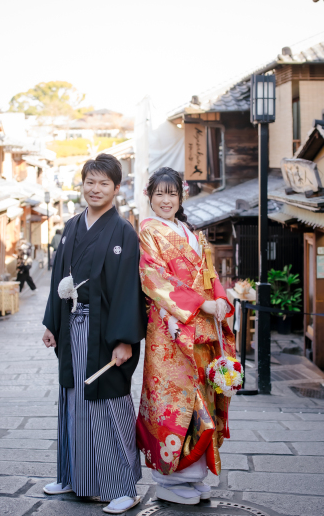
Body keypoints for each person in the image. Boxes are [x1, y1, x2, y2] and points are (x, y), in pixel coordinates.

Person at [41, 153, 145, 514]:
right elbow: (59, 279)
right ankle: (73, 477)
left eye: (104, 183)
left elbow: (128, 287)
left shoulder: (123, 232)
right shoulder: (71, 226)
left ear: (117, 188)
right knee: (72, 399)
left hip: (106, 329)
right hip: (72, 325)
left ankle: (123, 487)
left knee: (108, 402)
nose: (95, 189)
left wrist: (124, 340)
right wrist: (51, 322)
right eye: (90, 181)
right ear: (82, 184)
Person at [136, 167, 235, 505]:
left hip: (203, 328)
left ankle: (194, 475)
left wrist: (220, 298)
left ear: (182, 196)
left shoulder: (190, 231)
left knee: (202, 398)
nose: (166, 200)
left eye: (172, 194)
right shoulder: (148, 231)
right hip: (170, 328)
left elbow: (210, 273)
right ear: (150, 196)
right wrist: (202, 303)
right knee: (174, 400)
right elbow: (153, 277)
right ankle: (170, 479)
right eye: (159, 194)